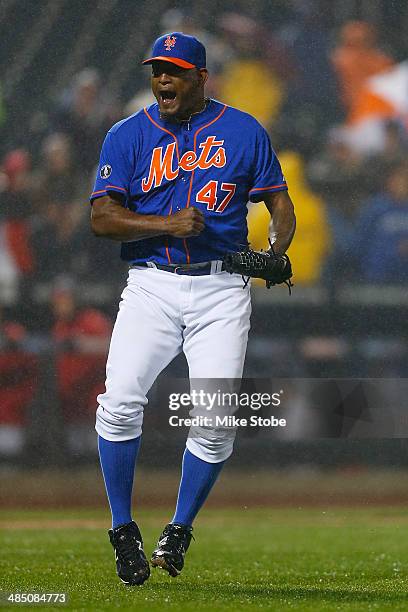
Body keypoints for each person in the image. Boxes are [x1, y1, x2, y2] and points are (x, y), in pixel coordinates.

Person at [90, 32, 296, 586]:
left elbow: (279, 201)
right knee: (119, 403)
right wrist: (166, 224)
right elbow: (102, 219)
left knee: (214, 422)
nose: (163, 80)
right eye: (157, 70)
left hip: (223, 289)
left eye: (175, 71)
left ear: (201, 77)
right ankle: (122, 529)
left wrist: (277, 249)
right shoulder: (127, 135)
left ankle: (179, 528)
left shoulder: (243, 130)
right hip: (151, 285)